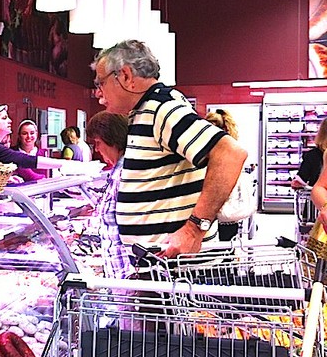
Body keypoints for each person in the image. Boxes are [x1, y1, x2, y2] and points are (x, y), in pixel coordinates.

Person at [92, 40, 248, 259]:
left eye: (101, 83)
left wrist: (194, 229)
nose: (98, 93)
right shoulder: (145, 111)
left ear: (125, 76)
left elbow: (230, 154)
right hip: (165, 266)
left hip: (180, 269)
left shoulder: (161, 108)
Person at [86, 111, 133, 280]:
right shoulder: (118, 170)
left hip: (126, 276)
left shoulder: (125, 174)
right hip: (118, 274)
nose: (97, 149)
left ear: (112, 139)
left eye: (98, 142)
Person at [0, 105, 65, 174]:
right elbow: (22, 159)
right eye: (4, 118)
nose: (10, 121)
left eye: (32, 133)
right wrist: (63, 164)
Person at [206, 108, 247, 241]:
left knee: (209, 248)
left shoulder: (206, 152)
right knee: (227, 246)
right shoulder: (233, 150)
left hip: (209, 213)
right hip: (228, 214)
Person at [292, 117, 327, 189]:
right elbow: (301, 178)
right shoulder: (312, 156)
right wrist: (297, 183)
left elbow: (301, 178)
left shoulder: (312, 155)